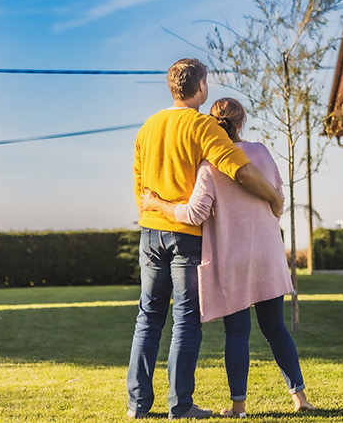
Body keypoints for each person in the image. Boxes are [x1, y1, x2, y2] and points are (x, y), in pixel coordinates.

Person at [128, 58, 285, 420]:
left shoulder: (148, 127)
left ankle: (137, 406)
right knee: (185, 320)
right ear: (200, 87)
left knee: (148, 317)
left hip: (150, 232)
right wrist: (274, 198)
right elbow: (240, 170)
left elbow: (140, 187)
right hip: (185, 236)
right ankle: (179, 406)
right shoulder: (202, 125)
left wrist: (155, 208)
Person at [139, 97, 316, 417]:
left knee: (238, 332)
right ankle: (300, 398)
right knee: (275, 327)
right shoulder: (262, 152)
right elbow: (278, 194)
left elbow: (194, 214)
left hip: (233, 259)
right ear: (241, 122)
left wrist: (157, 204)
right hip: (267, 252)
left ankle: (239, 406)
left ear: (211, 124)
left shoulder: (209, 166)